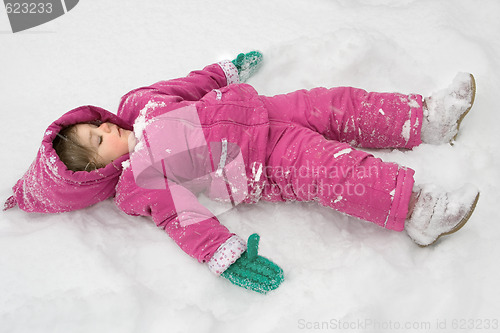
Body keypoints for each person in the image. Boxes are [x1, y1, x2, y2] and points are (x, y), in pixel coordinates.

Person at [4, 52, 479, 294]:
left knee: (340, 103)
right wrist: (227, 257)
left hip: (265, 109)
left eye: (93, 125)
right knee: (334, 170)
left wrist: (225, 71)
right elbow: (183, 220)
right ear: (99, 170)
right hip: (262, 162)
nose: (104, 127)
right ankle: (417, 211)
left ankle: (425, 117)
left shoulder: (137, 103)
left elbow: (185, 85)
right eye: (97, 141)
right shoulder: (140, 180)